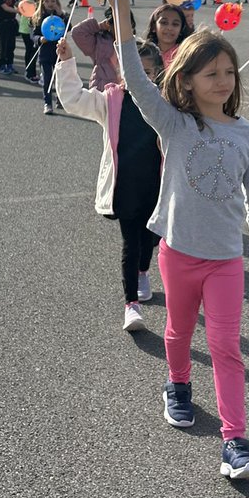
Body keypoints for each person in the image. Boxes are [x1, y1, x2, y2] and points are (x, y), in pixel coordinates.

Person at [106, 0, 249, 480]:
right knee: (178, 331)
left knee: (226, 345)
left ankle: (235, 441)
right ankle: (177, 384)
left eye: (228, 71)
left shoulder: (246, 134)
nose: (221, 80)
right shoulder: (175, 125)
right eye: (209, 74)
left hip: (226, 260)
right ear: (185, 81)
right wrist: (119, 8)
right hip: (178, 254)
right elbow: (135, 78)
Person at [56, 35, 164, 332]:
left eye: (147, 72)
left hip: (157, 186)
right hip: (125, 187)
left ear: (157, 74)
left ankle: (144, 271)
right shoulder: (111, 101)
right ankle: (131, 305)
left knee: (150, 239)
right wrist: (66, 62)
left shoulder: (163, 103)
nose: (140, 78)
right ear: (122, 73)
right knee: (131, 241)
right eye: (133, 72)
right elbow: (74, 100)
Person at [71, 6, 136, 91]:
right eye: (118, 24)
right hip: (103, 91)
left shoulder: (135, 45)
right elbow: (77, 32)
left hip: (127, 93)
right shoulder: (100, 43)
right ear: (109, 25)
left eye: (127, 24)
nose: (123, 28)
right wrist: (100, 26)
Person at [34, 0, 67, 113]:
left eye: (53, 1)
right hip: (45, 53)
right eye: (47, 1)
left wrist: (61, 15)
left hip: (58, 52)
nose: (50, 3)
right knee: (47, 79)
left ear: (57, 2)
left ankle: (59, 100)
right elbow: (34, 35)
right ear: (42, 3)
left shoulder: (61, 16)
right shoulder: (39, 17)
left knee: (59, 78)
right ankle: (47, 103)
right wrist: (40, 39)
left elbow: (68, 27)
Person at [145, 3, 188, 69]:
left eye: (175, 24)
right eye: (164, 23)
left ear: (181, 29)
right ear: (154, 27)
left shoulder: (186, 55)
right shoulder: (144, 53)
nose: (169, 28)